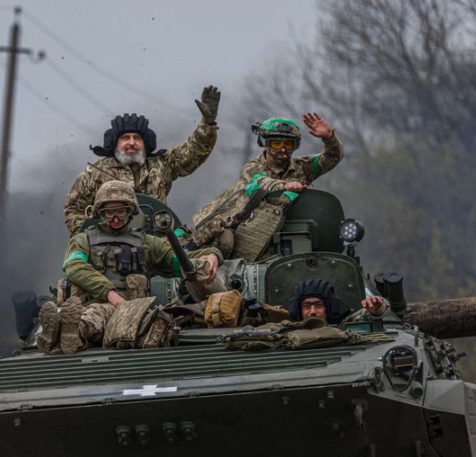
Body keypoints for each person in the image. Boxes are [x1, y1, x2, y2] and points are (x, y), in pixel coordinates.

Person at [40, 181, 223, 354]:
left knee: (105, 315)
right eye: (109, 212)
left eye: (121, 211)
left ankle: (69, 334)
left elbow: (179, 260)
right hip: (92, 306)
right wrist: (110, 294)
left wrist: (213, 254)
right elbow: (73, 266)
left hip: (132, 313)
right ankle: (67, 332)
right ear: (99, 213)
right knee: (95, 313)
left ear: (131, 212)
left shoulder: (147, 243)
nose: (116, 218)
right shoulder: (83, 241)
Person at [62, 85, 222, 236]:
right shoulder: (94, 174)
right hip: (109, 245)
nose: (131, 142)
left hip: (157, 242)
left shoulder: (161, 164)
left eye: (137, 138)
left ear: (145, 143)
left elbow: (193, 152)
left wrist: (207, 123)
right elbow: (73, 208)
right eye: (125, 138)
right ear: (115, 143)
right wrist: (92, 236)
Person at [192, 113, 343, 256]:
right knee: (225, 242)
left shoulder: (302, 168)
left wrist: (329, 138)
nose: (283, 149)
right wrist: (285, 186)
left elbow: (331, 157)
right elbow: (262, 182)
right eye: (276, 144)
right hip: (234, 226)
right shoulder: (252, 167)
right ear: (265, 144)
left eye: (289, 144)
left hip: (277, 231)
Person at [286, 277, 388, 325]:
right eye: (307, 306)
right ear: (299, 310)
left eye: (319, 305)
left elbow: (364, 315)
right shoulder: (286, 334)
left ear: (329, 308)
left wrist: (377, 307)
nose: (312, 311)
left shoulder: (343, 329)